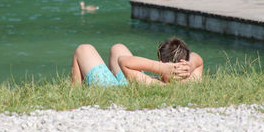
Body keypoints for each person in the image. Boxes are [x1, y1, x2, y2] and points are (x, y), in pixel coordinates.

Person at [71, 37, 203, 86]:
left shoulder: (152, 84)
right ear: (184, 62)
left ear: (161, 62)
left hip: (113, 88)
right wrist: (189, 67)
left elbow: (123, 61)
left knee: (83, 49)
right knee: (118, 47)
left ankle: (75, 93)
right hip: (130, 81)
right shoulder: (192, 80)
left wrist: (161, 69)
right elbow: (198, 59)